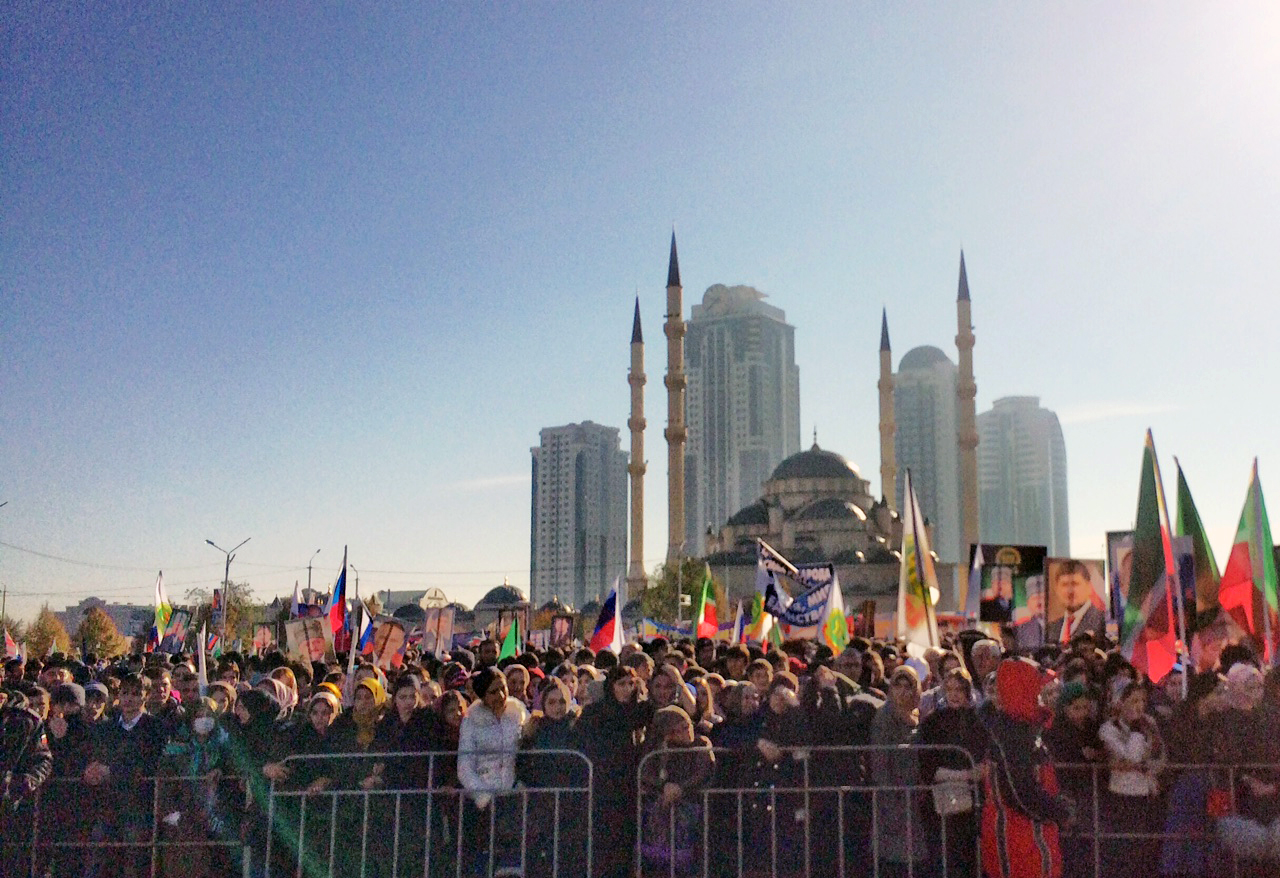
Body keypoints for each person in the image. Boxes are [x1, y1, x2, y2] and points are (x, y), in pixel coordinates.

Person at [980, 658, 1075, 878]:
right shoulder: (1011, 734)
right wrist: (1058, 810)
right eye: (1037, 689)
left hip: (1034, 834)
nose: (1043, 696)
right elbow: (1020, 792)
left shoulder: (1024, 728)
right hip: (1017, 837)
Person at [457, 665, 528, 876]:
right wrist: (484, 796)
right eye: (493, 691)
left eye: (503, 689)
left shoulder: (518, 714)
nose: (501, 695)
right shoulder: (471, 721)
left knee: (512, 857)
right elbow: (465, 767)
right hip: (484, 799)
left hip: (513, 794)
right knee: (485, 855)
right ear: (482, 695)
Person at [919, 667, 986, 878]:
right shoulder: (932, 722)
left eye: (959, 689)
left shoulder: (979, 721)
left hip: (974, 802)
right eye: (949, 689)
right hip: (942, 802)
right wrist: (965, 775)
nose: (954, 694)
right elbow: (927, 765)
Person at [638, 706, 715, 876]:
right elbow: (645, 772)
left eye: (686, 726)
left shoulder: (701, 743)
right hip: (660, 811)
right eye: (676, 730)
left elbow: (703, 772)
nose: (685, 733)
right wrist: (663, 786)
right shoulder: (657, 748)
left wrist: (681, 787)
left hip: (690, 807)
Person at [1097, 681, 1164, 878]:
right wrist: (1135, 731)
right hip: (1122, 794)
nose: (1139, 706)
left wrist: (1145, 761)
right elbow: (1128, 757)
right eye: (1133, 700)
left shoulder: (1149, 726)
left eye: (1142, 701)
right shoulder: (1109, 729)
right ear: (1121, 702)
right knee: (1124, 848)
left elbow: (1158, 758)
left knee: (1145, 850)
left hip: (1146, 792)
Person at [1046, 560, 1106, 645]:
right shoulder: (1051, 628)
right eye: (1064, 585)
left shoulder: (1103, 622)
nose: (1070, 591)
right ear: (1057, 590)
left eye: (1075, 584)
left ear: (1089, 587)